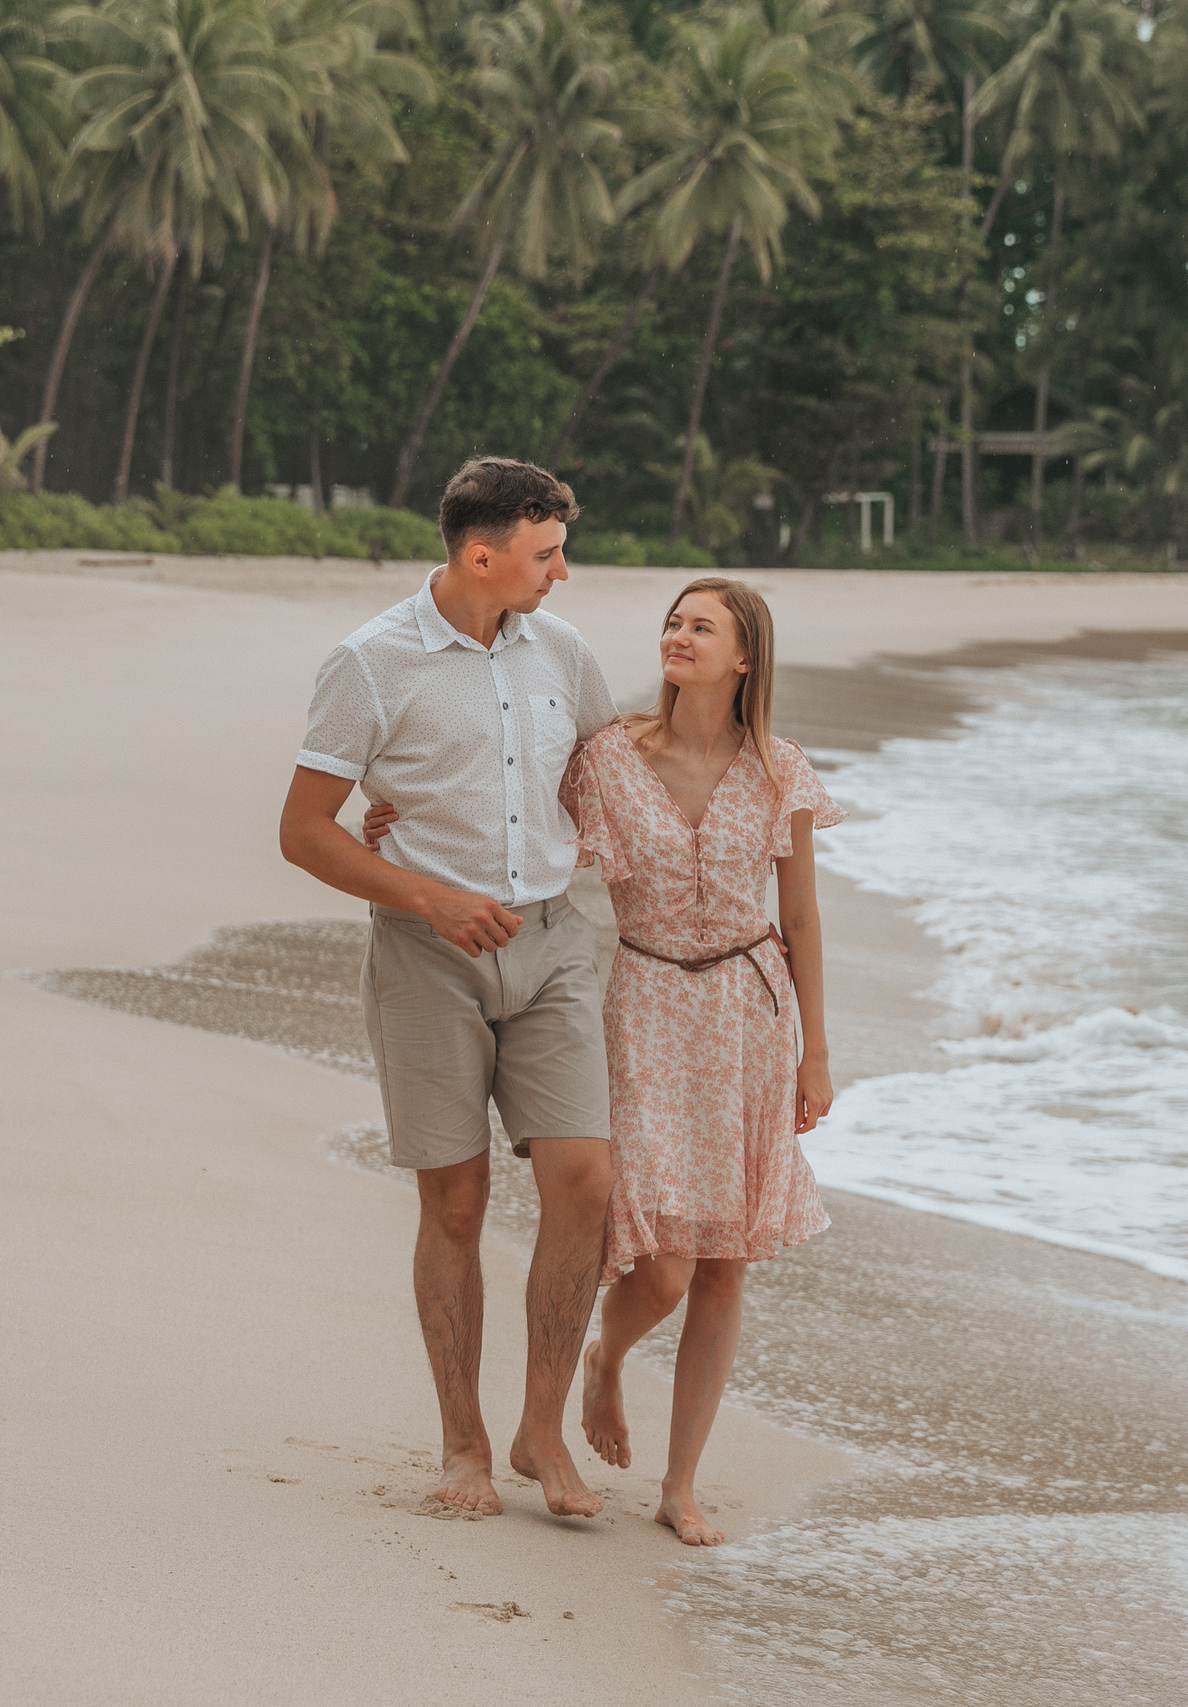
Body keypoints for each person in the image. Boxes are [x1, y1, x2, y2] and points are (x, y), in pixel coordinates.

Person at [371, 576, 839, 1546]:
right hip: (647, 1008)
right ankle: (602, 1358)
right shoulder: (611, 758)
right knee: (663, 1266)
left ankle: (679, 1485)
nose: (679, 635)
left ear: (743, 657)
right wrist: (393, 817)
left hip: (749, 1019)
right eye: (673, 621)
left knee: (725, 1266)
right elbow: (502, 806)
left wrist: (815, 1054)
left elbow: (799, 917)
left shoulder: (780, 770)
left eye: (701, 626)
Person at [278, 456, 617, 1520]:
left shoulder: (563, 650)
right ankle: (463, 1444)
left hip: (554, 942)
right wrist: (426, 895)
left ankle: (539, 1431)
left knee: (585, 1184)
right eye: (546, 552)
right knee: (456, 1200)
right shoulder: (370, 663)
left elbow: (607, 778)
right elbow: (303, 831)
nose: (562, 572)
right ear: (482, 555)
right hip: (427, 956)